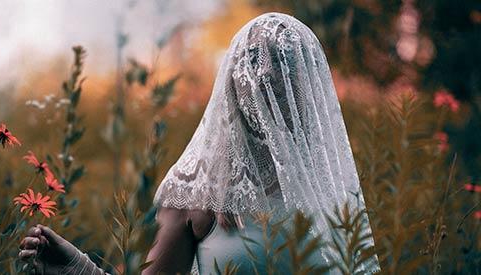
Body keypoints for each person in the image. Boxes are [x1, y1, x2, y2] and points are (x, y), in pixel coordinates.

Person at [19, 12, 381, 274]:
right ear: (231, 83)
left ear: (306, 84)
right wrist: (77, 268)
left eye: (281, 61)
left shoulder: (332, 190)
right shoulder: (196, 191)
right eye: (253, 60)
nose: (266, 73)